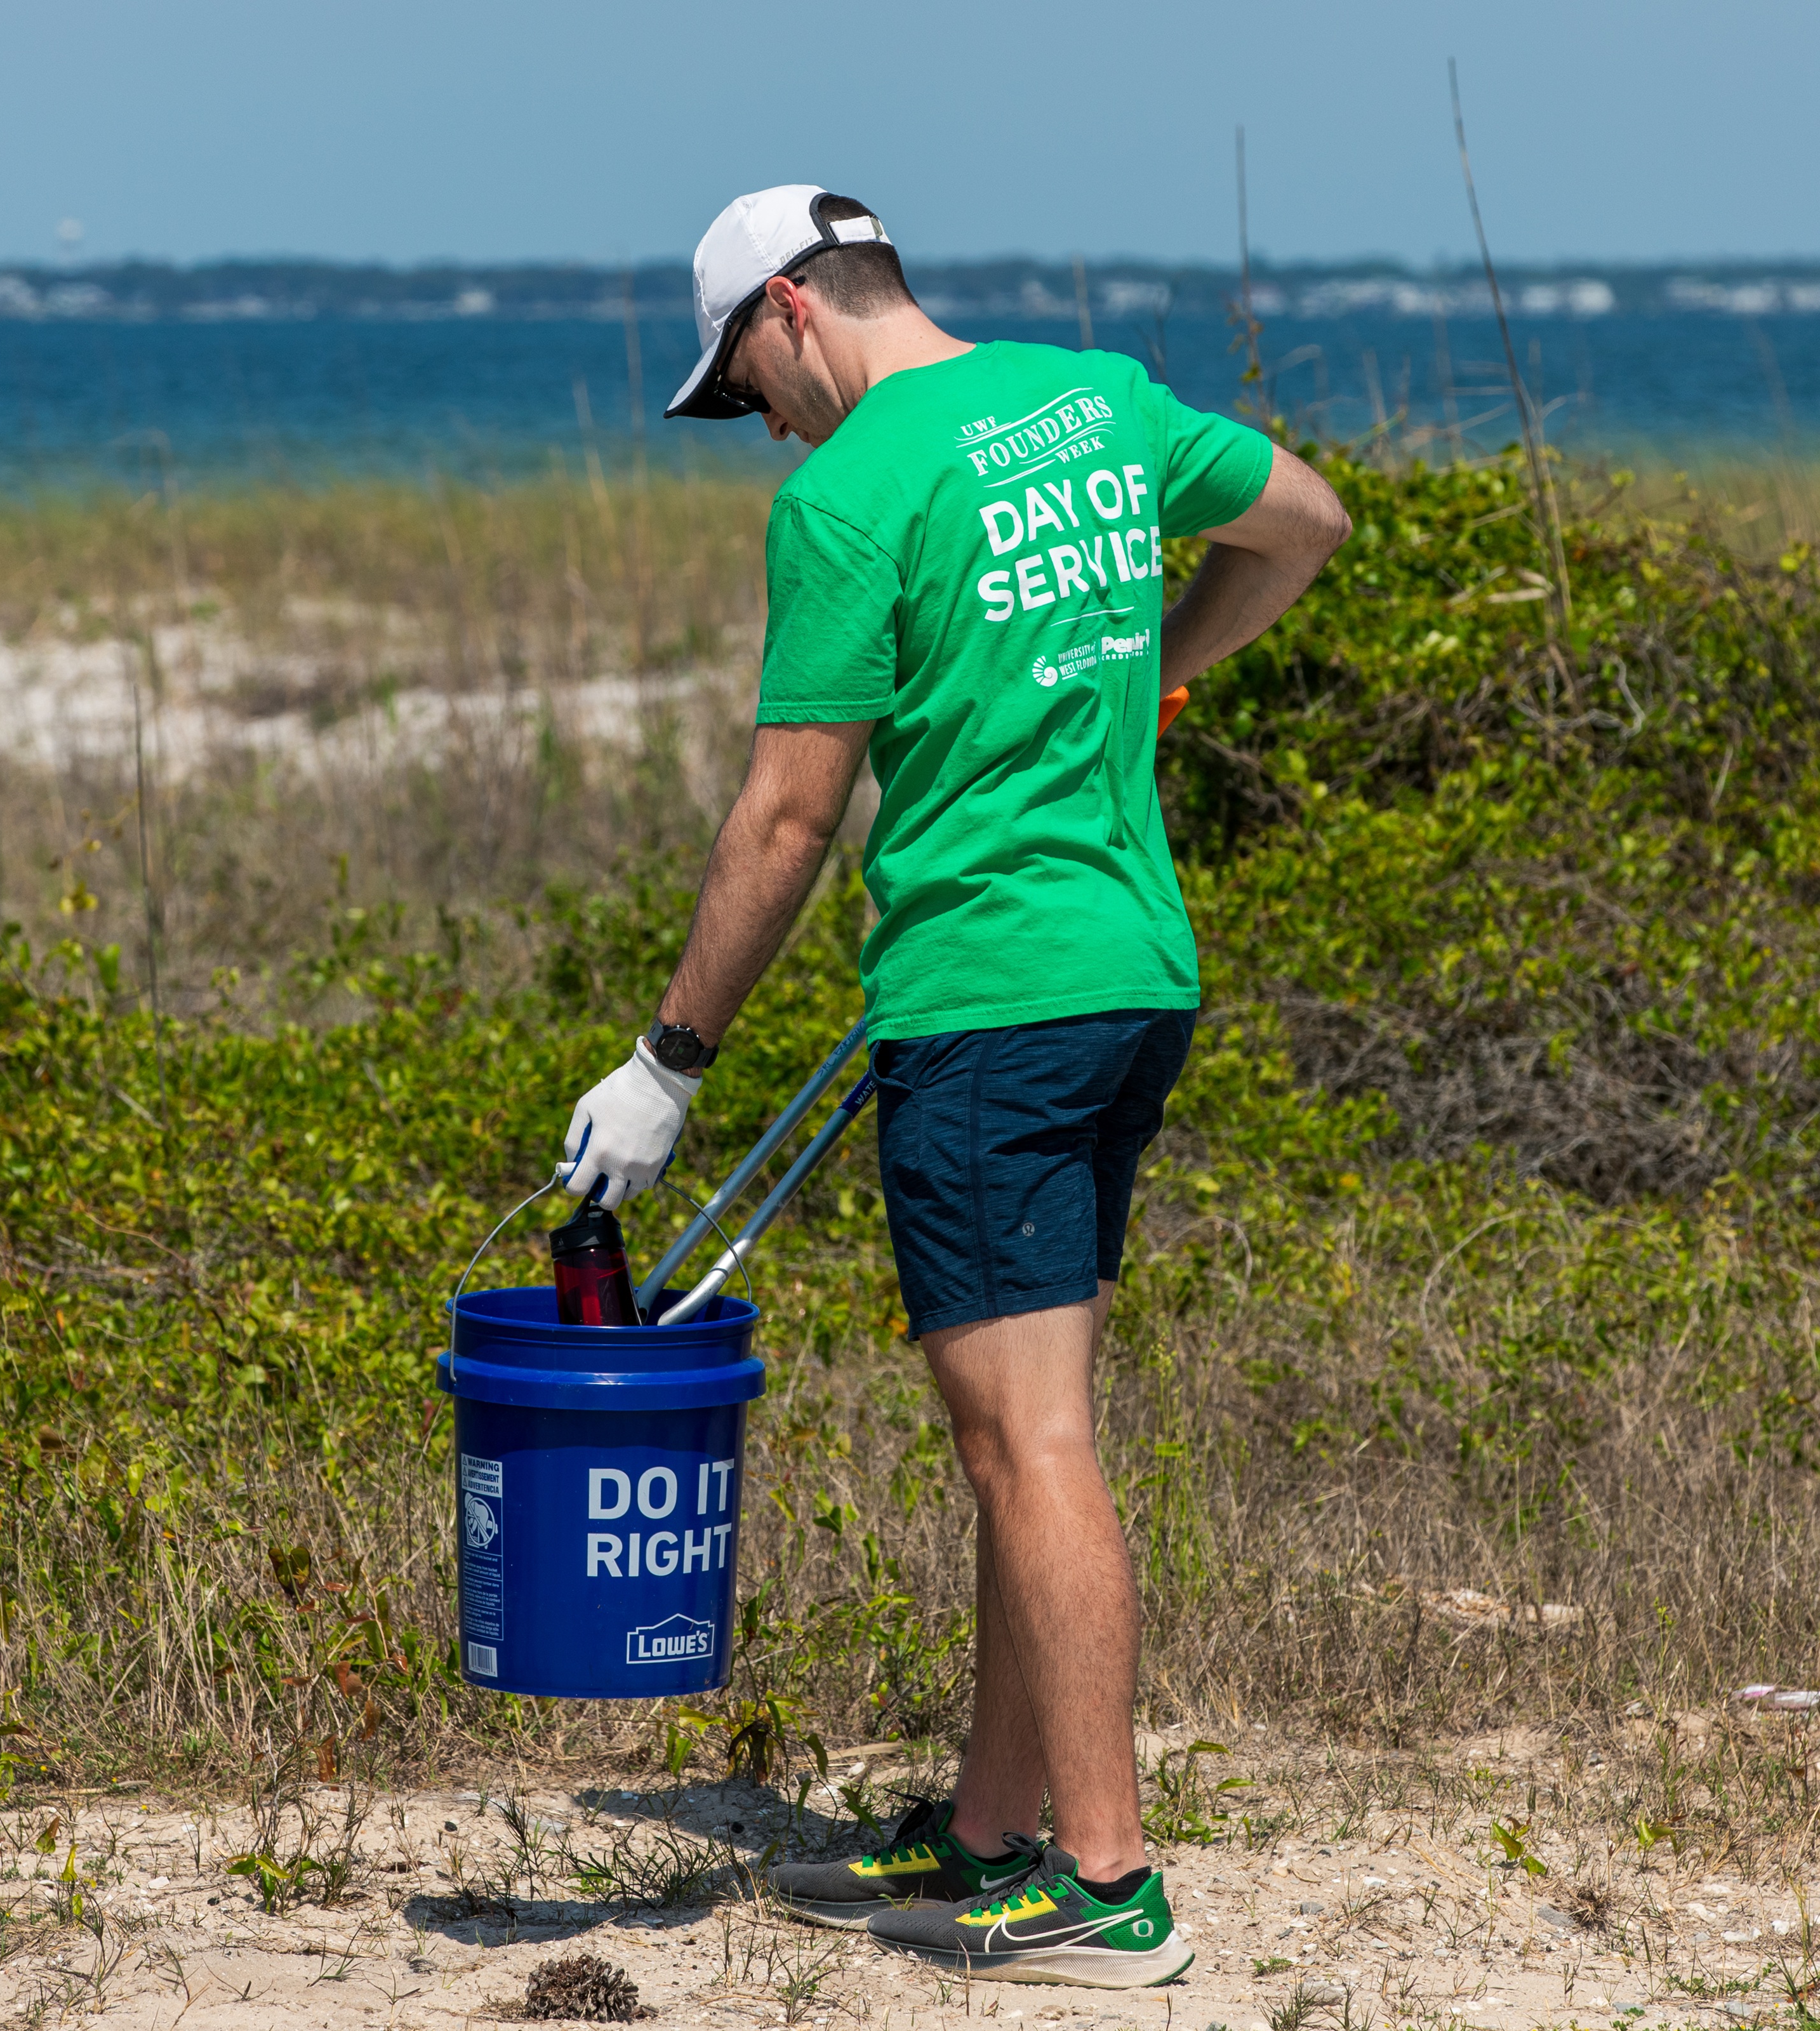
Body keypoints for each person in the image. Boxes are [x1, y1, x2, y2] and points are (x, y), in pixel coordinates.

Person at [554, 185, 1346, 1990]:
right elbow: (1305, 523)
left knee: (1027, 1445)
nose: (753, 419)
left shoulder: (845, 496)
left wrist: (670, 1060)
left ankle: (1107, 1886)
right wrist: (1155, 678)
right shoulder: (1100, 403)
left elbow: (789, 812)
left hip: (987, 1010)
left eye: (738, 381)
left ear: (791, 311)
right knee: (1028, 1431)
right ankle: (992, 1830)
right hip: (1134, 977)